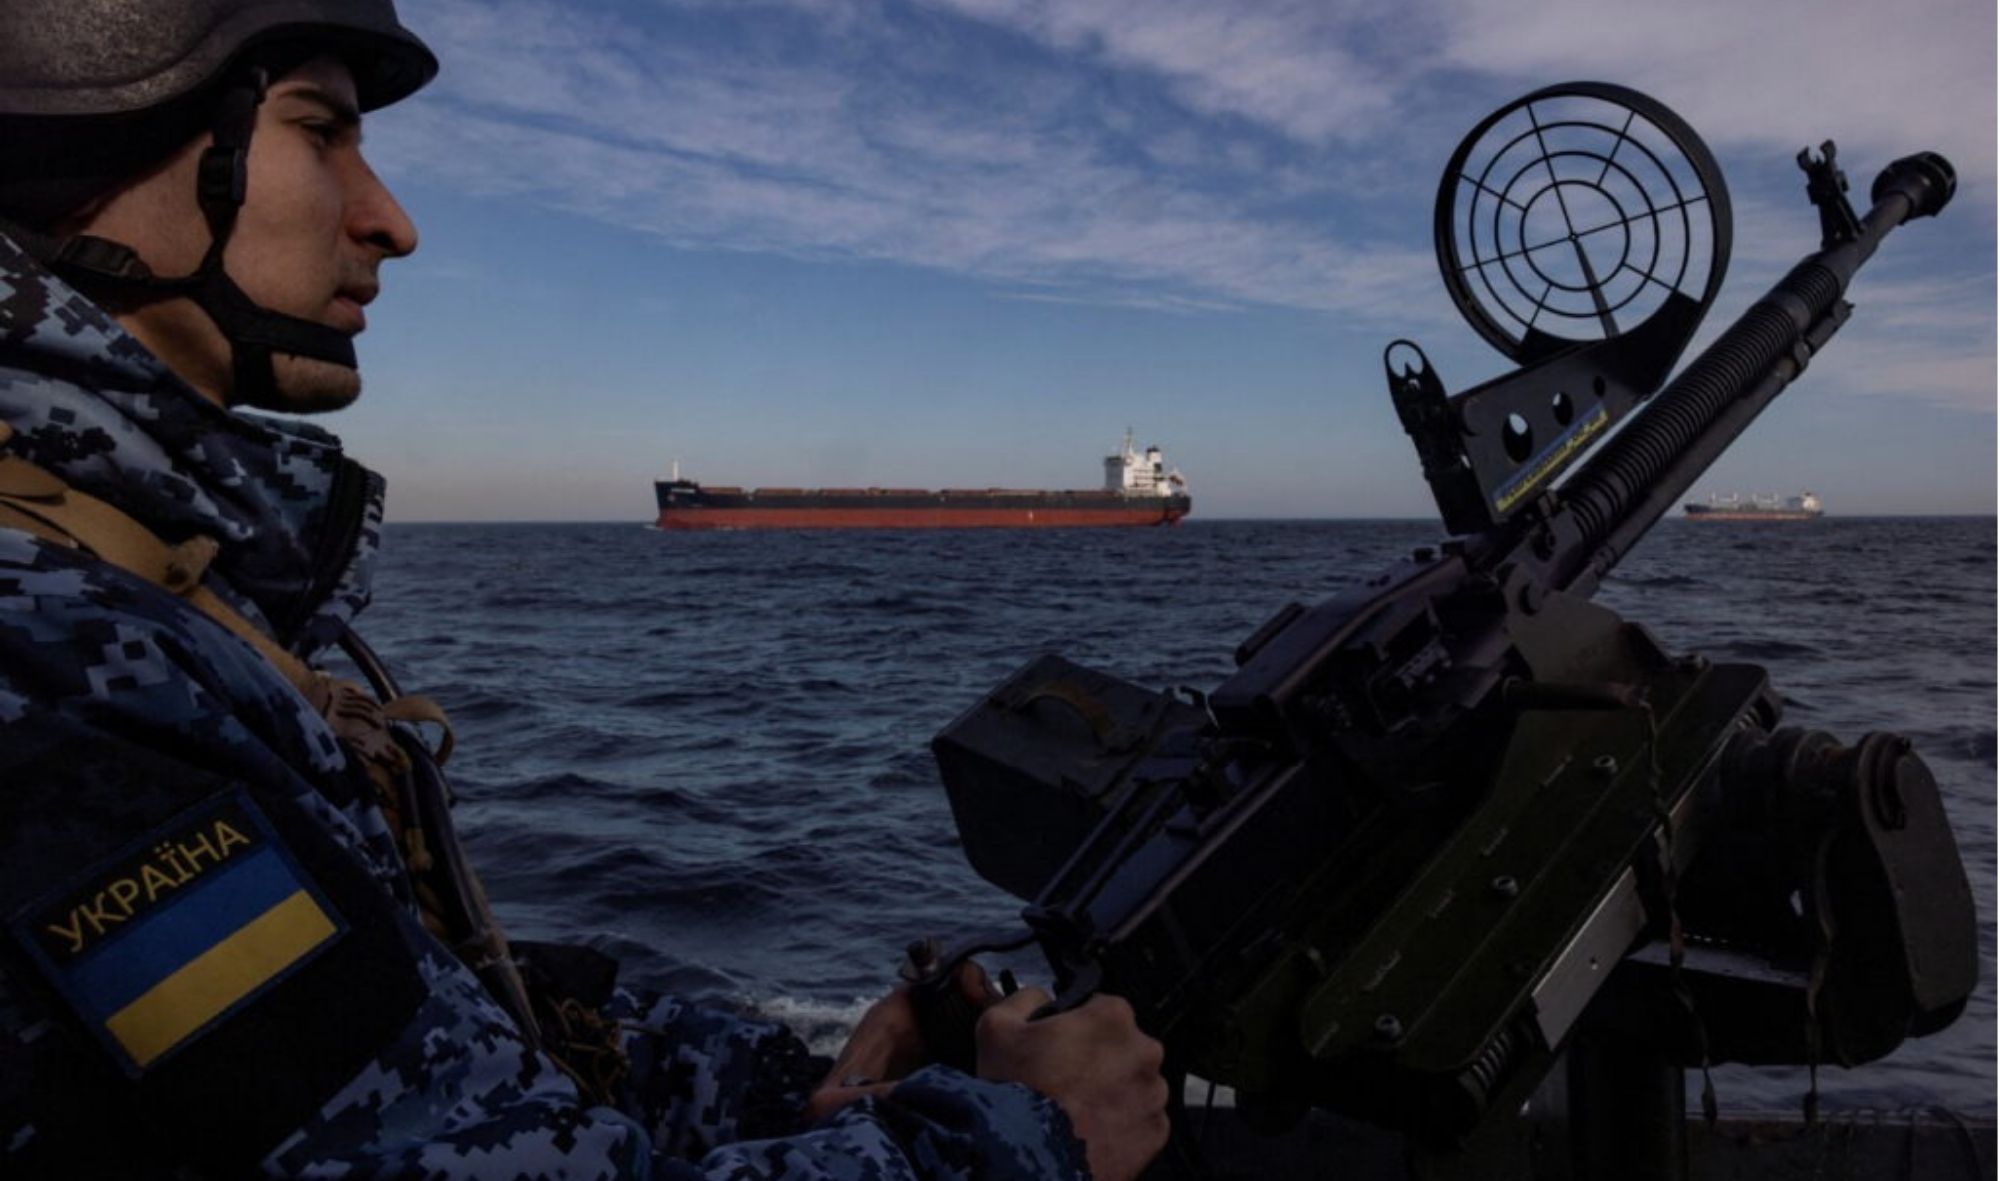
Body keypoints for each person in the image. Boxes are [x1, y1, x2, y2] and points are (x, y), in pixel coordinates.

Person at [0, 2, 1171, 1177]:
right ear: (89, 132)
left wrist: (783, 1081)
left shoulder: (154, 587)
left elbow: (417, 1037)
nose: (391, 220)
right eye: (319, 132)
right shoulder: (49, 662)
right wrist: (1032, 1138)